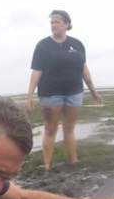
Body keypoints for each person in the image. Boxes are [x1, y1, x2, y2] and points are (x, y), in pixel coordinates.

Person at [27, 9, 102, 170]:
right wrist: (30, 95)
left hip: (74, 93)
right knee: (50, 129)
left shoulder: (77, 44)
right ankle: (47, 166)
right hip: (50, 94)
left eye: (57, 22)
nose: (53, 25)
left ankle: (73, 162)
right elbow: (36, 72)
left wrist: (93, 91)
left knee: (69, 129)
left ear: (66, 24)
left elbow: (84, 70)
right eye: (52, 22)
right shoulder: (43, 46)